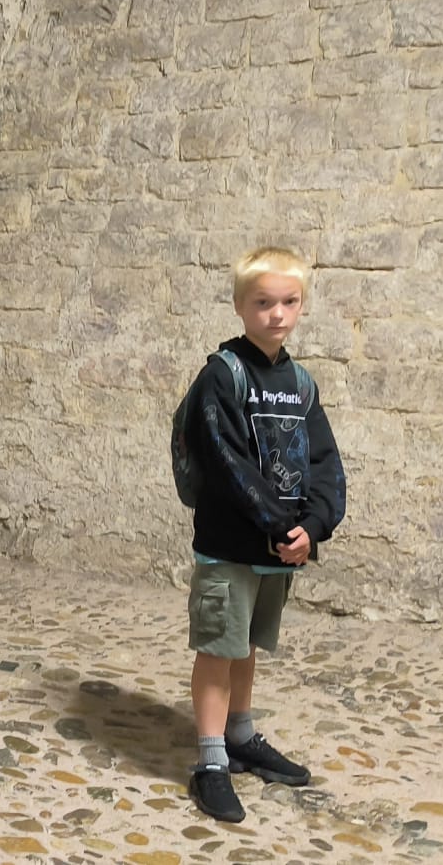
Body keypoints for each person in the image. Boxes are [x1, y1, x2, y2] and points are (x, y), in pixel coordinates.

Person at [178, 247, 345, 824]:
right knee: (217, 648)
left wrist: (313, 528)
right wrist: (278, 525)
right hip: (230, 546)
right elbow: (226, 463)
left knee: (246, 645)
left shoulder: (299, 383)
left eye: (289, 302)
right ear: (240, 306)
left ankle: (241, 735)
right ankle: (211, 760)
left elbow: (325, 463)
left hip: (278, 549)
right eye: (263, 302)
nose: (277, 314)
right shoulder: (222, 376)